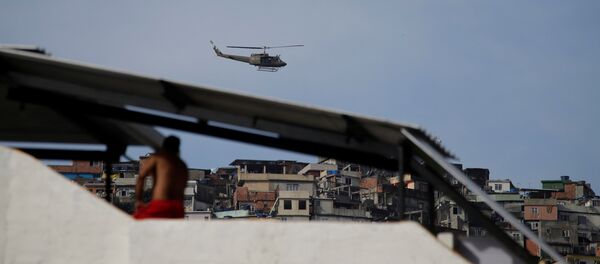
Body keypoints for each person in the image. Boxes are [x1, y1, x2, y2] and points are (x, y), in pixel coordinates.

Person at [133, 136, 188, 219]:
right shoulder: (183, 165)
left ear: (164, 146)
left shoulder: (158, 158)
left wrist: (139, 201)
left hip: (161, 205)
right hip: (178, 208)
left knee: (136, 221)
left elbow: (141, 177)